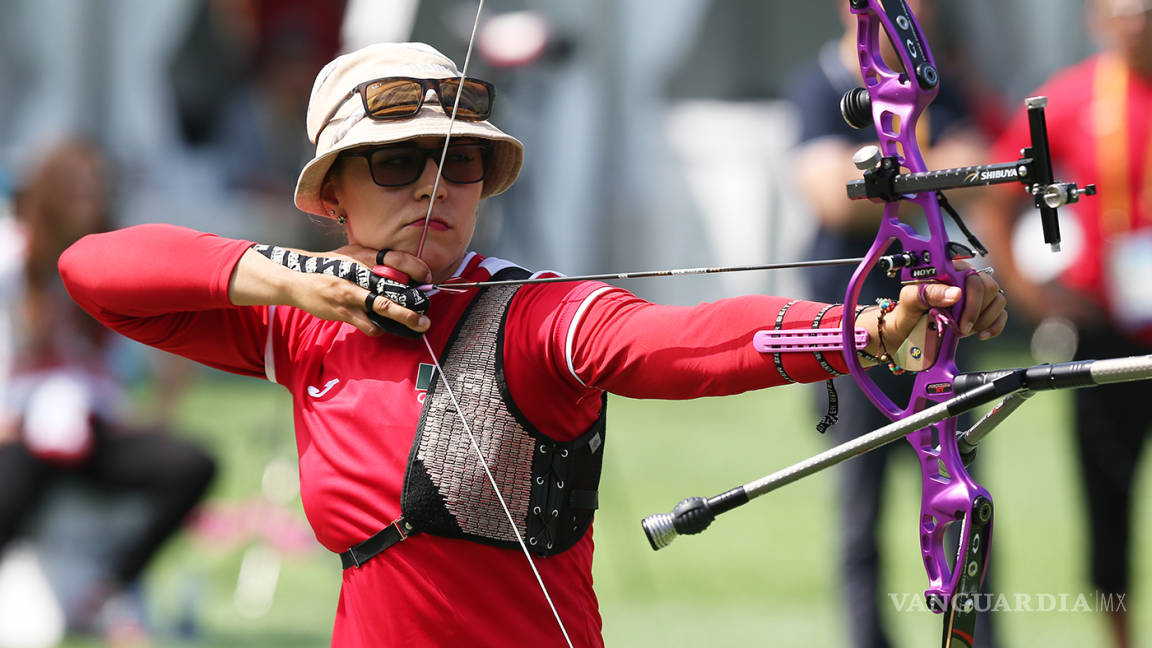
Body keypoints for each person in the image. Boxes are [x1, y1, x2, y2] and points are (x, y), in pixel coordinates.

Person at [59, 42, 1007, 647]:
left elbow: (674, 344)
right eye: (398, 164)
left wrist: (867, 329)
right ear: (333, 192)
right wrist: (297, 279)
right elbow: (96, 269)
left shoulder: (534, 318)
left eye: (459, 162)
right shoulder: (307, 325)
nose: (436, 188)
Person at [786, 3, 999, 648]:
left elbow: (981, 170)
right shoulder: (821, 84)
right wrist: (927, 175)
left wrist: (893, 173)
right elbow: (832, 194)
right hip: (858, 337)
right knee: (861, 515)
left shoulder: (941, 80)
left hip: (942, 336)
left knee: (962, 502)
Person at [975, 1, 1152, 646]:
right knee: (1107, 508)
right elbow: (995, 193)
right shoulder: (1073, 100)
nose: (1138, 20)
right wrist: (1035, 299)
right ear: (1096, 19)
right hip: (1105, 337)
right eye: (1123, 9)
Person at [0, 139, 218, 641]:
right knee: (11, 483)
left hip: (96, 426)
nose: (88, 202)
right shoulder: (18, 260)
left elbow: (163, 356)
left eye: (96, 191)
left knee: (192, 465)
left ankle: (110, 589)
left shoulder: (114, 260)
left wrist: (159, 409)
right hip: (24, 426)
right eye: (75, 191)